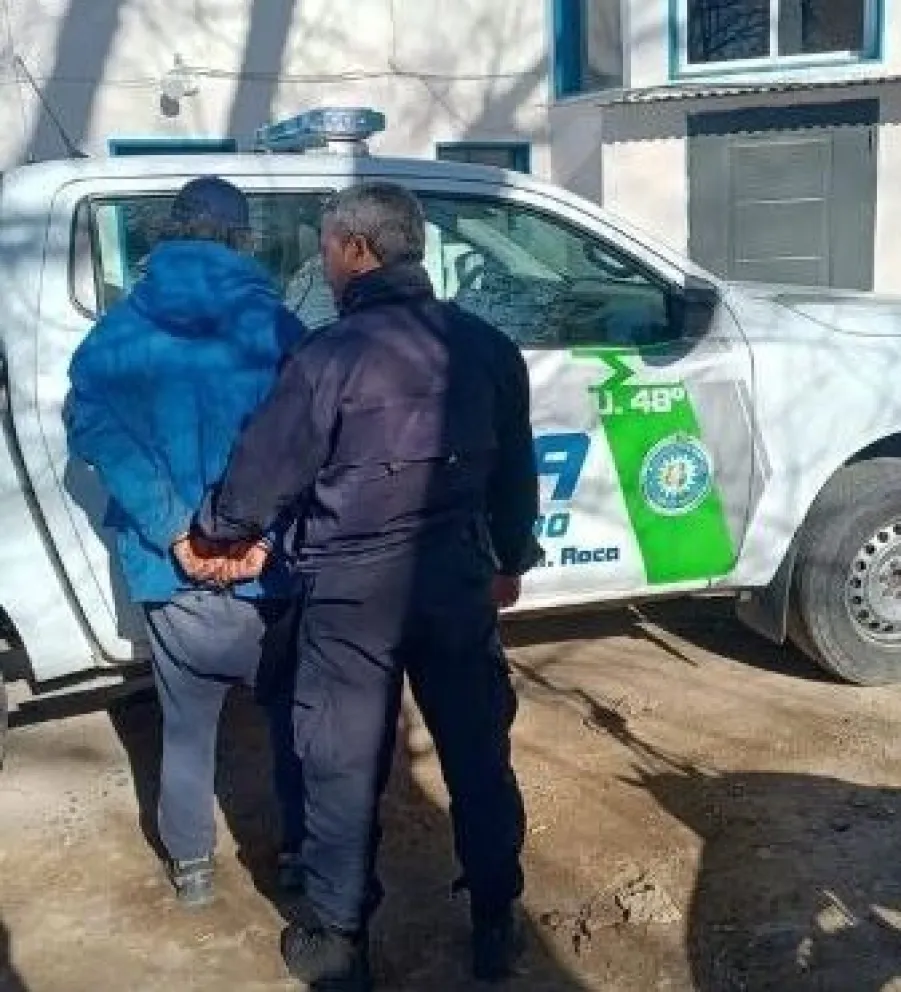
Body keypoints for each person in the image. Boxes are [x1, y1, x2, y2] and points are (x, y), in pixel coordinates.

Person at [190, 182, 540, 989]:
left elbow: (258, 480)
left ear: (356, 250)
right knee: (477, 755)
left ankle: (341, 946)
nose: (323, 260)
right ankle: (496, 924)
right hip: (454, 579)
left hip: (351, 597)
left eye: (325, 246)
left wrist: (215, 533)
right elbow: (514, 477)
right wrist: (508, 562)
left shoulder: (328, 357)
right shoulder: (485, 347)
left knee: (341, 769)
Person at [63, 176, 307, 908]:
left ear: (170, 233)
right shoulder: (279, 332)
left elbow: (92, 427)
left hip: (168, 569)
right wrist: (254, 532)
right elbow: (302, 441)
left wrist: (175, 527)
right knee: (292, 720)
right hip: (269, 565)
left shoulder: (114, 333)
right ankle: (298, 857)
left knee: (187, 725)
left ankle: (193, 868)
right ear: (242, 239)